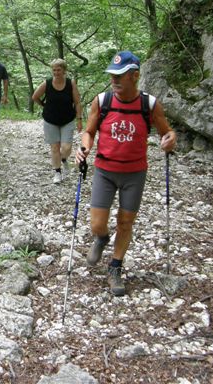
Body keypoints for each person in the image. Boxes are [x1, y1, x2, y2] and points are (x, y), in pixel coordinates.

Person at [75, 51, 177, 296]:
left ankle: (115, 267)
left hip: (134, 174)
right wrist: (85, 147)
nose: (114, 80)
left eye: (120, 76)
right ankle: (101, 238)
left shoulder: (149, 104)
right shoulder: (102, 101)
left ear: (135, 75)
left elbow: (167, 132)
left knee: (126, 222)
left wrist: (169, 140)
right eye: (112, 75)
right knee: (97, 223)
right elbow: (89, 131)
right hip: (104, 171)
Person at [32, 58, 83, 184]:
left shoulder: (71, 84)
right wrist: (44, 105)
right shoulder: (47, 83)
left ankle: (64, 159)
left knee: (66, 147)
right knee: (55, 147)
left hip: (67, 119)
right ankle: (57, 172)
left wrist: (79, 119)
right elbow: (35, 97)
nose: (56, 72)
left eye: (58, 70)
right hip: (50, 120)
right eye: (54, 70)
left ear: (64, 70)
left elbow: (77, 102)